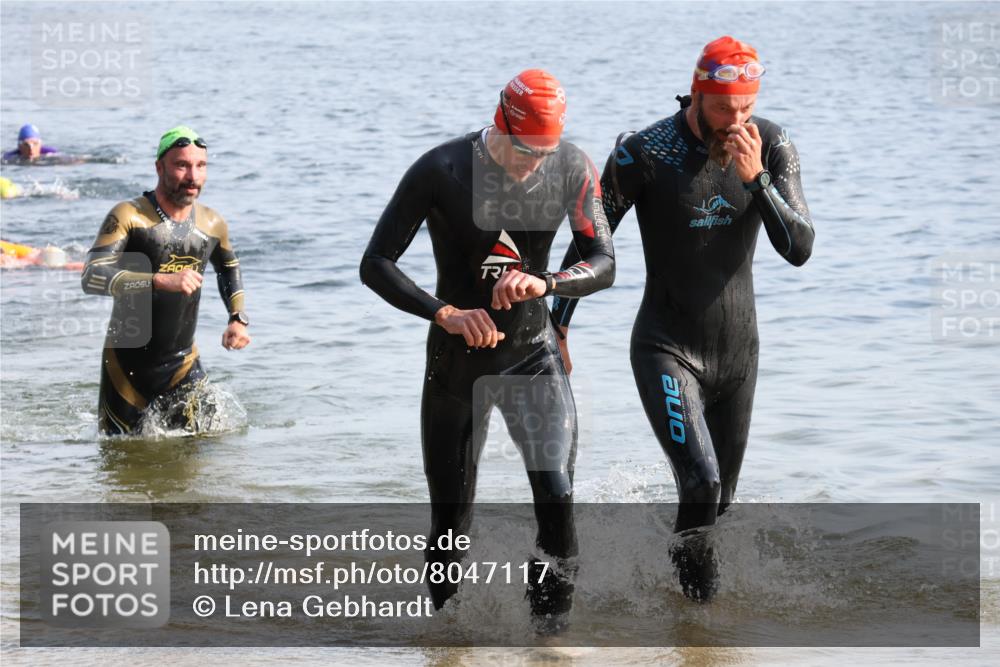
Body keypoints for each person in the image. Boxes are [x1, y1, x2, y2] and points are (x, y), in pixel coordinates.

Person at [553, 36, 816, 601]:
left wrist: (757, 181)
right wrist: (558, 325)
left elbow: (799, 248)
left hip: (739, 357)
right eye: (723, 108)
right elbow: (589, 247)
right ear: (697, 93)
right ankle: (699, 625)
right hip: (666, 347)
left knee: (716, 505)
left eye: (746, 107)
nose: (735, 121)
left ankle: (686, 615)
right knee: (702, 482)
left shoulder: (771, 145)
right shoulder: (642, 154)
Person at [360, 69, 614, 631]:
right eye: (526, 152)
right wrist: (444, 313)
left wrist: (545, 283)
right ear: (500, 124)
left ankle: (550, 640)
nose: (535, 164)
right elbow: (375, 263)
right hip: (457, 364)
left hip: (533, 354)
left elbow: (603, 263)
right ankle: (446, 639)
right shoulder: (442, 169)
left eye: (544, 152)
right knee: (451, 519)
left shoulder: (571, 166)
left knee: (557, 494)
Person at [81, 126, 250, 436]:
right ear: (159, 167)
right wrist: (158, 281)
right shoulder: (129, 216)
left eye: (201, 166)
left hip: (183, 366)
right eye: (182, 165)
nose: (193, 176)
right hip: (127, 371)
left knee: (210, 454)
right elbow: (92, 276)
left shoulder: (212, 223)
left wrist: (237, 317)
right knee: (123, 464)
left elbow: (228, 267)